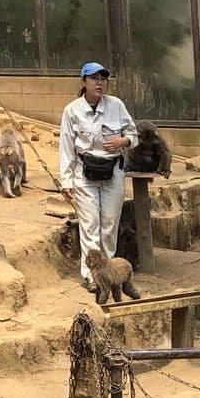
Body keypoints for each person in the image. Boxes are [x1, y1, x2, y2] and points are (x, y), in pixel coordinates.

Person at [57, 62, 137, 266]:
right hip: (84, 172)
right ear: (84, 82)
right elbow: (66, 147)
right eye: (94, 78)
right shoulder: (72, 110)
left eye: (103, 79)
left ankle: (107, 270)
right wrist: (66, 181)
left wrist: (123, 141)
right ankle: (91, 274)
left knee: (110, 224)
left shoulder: (116, 105)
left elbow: (133, 135)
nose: (99, 83)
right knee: (89, 225)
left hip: (113, 171)